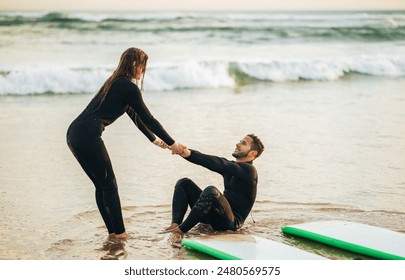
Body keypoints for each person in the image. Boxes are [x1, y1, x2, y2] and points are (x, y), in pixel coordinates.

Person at [66, 47, 185, 239]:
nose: (143, 72)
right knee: (109, 185)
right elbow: (149, 118)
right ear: (135, 64)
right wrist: (173, 144)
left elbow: (134, 115)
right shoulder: (128, 87)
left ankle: (113, 233)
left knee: (102, 185)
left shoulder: (115, 82)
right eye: (143, 66)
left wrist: (154, 140)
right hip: (87, 135)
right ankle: (121, 233)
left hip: (74, 134)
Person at [166, 134, 264, 234]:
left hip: (230, 223)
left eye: (243, 143)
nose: (237, 144)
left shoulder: (249, 171)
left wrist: (187, 152)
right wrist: (180, 150)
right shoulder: (232, 167)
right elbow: (210, 161)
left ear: (252, 153)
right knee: (184, 183)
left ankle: (181, 230)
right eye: (240, 141)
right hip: (215, 216)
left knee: (211, 191)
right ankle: (174, 225)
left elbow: (220, 163)